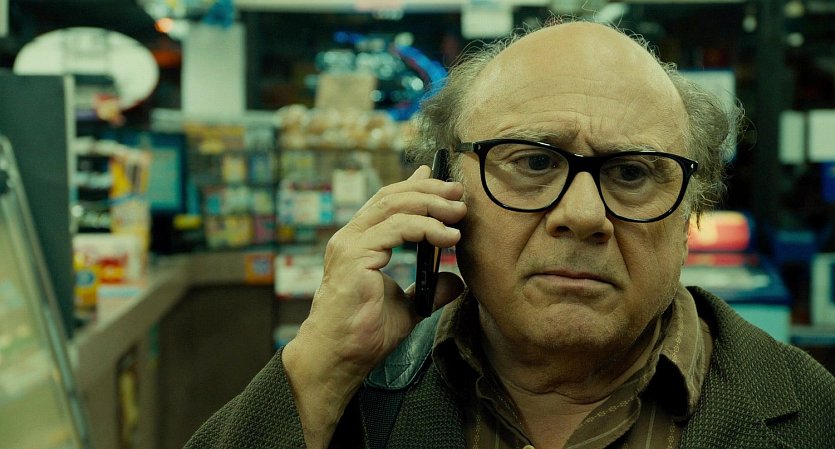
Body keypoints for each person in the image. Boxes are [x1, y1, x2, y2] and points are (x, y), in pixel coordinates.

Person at [186, 18, 835, 449]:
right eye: (532, 162)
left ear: (689, 212)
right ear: (444, 190)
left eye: (633, 172)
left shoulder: (815, 416)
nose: (583, 215)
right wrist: (318, 372)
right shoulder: (346, 401)